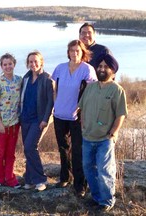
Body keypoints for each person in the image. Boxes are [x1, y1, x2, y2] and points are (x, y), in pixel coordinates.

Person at [78, 53, 127, 212]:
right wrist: (83, 125)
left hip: (104, 139)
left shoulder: (117, 90)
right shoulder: (90, 87)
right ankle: (97, 198)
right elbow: (82, 108)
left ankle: (106, 201)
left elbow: (120, 114)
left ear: (113, 71)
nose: (102, 69)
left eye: (106, 67)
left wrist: (112, 133)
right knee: (88, 168)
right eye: (99, 66)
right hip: (87, 137)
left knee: (104, 170)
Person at [52, 40, 97, 197]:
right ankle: (65, 177)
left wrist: (84, 111)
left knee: (78, 150)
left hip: (77, 116)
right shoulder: (60, 68)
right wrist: (55, 105)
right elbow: (55, 89)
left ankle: (80, 185)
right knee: (63, 148)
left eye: (77, 50)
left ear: (82, 52)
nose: (74, 53)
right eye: (72, 50)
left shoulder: (87, 70)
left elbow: (91, 93)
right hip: (59, 115)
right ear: (68, 52)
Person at [20, 51, 54, 191]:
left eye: (36, 61)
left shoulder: (47, 79)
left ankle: (40, 180)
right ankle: (29, 180)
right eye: (30, 62)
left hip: (39, 120)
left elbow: (50, 102)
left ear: (41, 62)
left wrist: (45, 119)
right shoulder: (26, 78)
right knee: (28, 150)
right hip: (25, 119)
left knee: (30, 147)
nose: (33, 64)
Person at [0, 53, 22, 188]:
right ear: (1, 66)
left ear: (14, 64)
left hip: (14, 123)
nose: (8, 67)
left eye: (10, 64)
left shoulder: (19, 80)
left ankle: (10, 178)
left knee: (10, 153)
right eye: (5, 64)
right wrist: (0, 123)